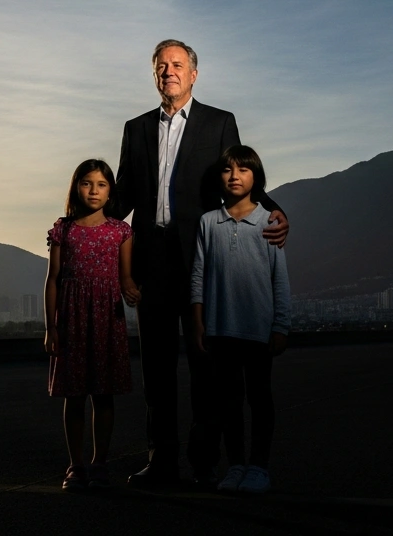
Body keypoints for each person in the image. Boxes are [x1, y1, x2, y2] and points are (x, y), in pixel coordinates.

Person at [108, 39, 289, 488]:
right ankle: (161, 461)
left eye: (177, 64)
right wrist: (79, 223)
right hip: (150, 259)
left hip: (202, 258)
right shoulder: (135, 128)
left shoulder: (219, 122)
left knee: (206, 366)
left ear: (193, 74)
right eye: (161, 65)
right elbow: (123, 196)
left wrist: (275, 211)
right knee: (156, 369)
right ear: (154, 75)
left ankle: (204, 462)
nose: (168, 71)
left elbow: (241, 174)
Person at [189, 145, 290, 495]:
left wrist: (280, 326)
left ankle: (259, 467)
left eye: (243, 170)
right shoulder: (208, 222)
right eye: (227, 169)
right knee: (228, 403)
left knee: (260, 399)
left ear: (256, 178)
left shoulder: (269, 222)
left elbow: (280, 279)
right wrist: (198, 322)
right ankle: (235, 466)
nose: (235, 176)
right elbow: (198, 275)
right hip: (220, 330)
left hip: (258, 330)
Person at [43, 159, 142, 491]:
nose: (94, 190)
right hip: (70, 319)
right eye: (87, 183)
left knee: (103, 395)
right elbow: (53, 280)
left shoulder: (120, 231)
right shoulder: (63, 230)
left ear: (110, 191)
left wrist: (132, 292)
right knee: (73, 396)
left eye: (101, 184)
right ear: (76, 188)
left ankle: (100, 463)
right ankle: (76, 465)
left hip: (107, 319)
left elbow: (126, 278)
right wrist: (51, 327)